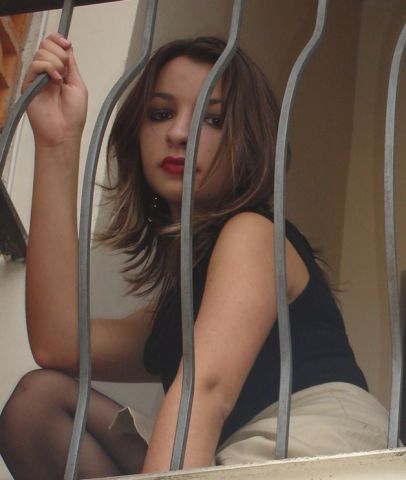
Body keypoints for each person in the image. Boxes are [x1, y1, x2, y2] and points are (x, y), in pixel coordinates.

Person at [0, 33, 388, 479]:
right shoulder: (178, 311)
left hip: (314, 446)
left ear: (249, 141)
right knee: (39, 406)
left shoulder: (253, 232)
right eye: (161, 114)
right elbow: (59, 344)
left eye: (213, 118)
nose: (179, 133)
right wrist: (58, 142)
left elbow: (205, 390)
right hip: (232, 456)